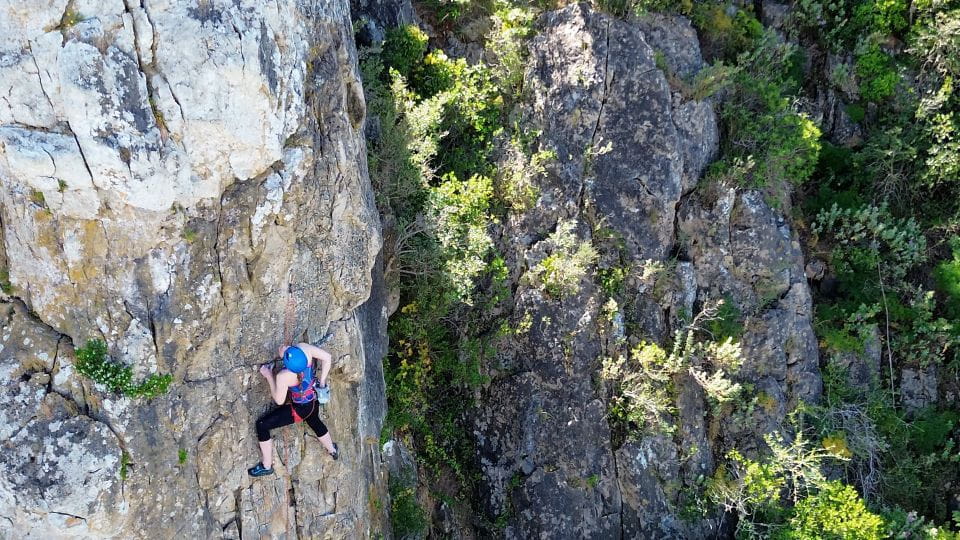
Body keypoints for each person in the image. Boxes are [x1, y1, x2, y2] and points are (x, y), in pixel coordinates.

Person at [248, 342, 338, 477]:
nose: (285, 348)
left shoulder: (284, 376)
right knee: (314, 421)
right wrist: (323, 382)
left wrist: (268, 375)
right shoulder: (304, 348)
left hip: (300, 409)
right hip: (313, 398)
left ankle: (266, 466)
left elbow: (279, 400)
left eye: (286, 352)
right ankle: (332, 450)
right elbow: (327, 357)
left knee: (262, 425)